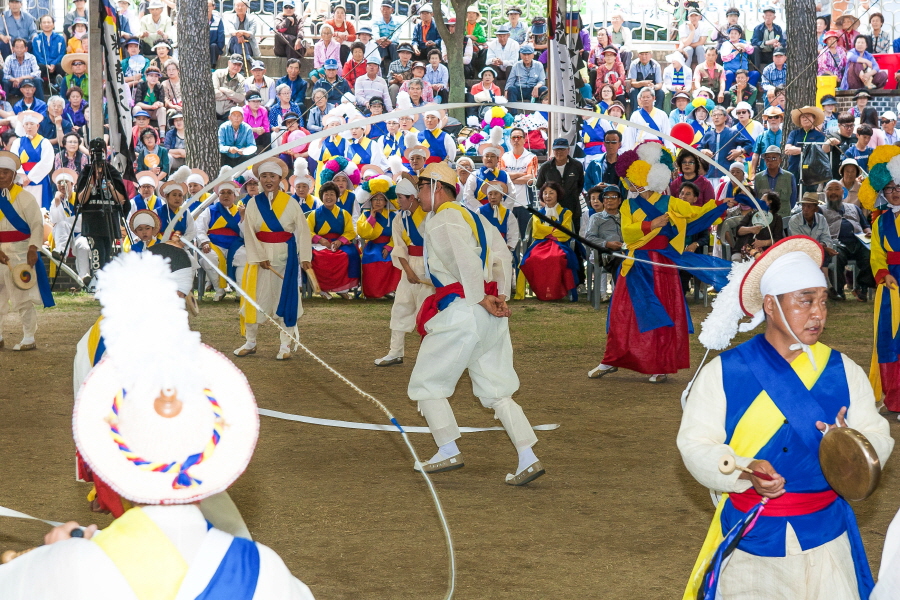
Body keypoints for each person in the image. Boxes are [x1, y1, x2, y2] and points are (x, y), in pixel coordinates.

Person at [0, 249, 316, 598]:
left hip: (124, 465)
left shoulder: (58, 574)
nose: (183, 303)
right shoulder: (266, 574)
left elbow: (90, 405)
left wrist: (55, 562)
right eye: (179, 294)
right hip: (156, 467)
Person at [678, 234, 892, 600]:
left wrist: (849, 445)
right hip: (752, 542)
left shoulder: (844, 370)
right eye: (805, 301)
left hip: (826, 537)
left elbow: (877, 435)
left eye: (823, 302)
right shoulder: (725, 372)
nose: (818, 314)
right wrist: (743, 468)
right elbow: (696, 444)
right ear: (771, 306)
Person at [408, 161, 543, 486]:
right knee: (497, 390)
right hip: (484, 313)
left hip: (464, 310)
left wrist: (481, 296)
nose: (418, 196)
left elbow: (462, 259)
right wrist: (498, 295)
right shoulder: (475, 216)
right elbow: (503, 255)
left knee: (427, 383)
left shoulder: (443, 218)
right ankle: (528, 457)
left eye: (421, 188)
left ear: (436, 187)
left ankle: (447, 448)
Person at [589, 142, 728, 382]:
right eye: (630, 179)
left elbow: (697, 213)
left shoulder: (671, 203)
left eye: (637, 178)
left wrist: (721, 204)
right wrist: (652, 224)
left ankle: (660, 364)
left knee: (662, 312)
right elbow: (628, 232)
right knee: (623, 312)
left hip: (662, 265)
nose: (632, 184)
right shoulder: (628, 205)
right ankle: (611, 359)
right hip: (635, 263)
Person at [373, 173, 430, 365]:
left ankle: (428, 356)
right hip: (409, 266)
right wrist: (408, 271)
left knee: (428, 312)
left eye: (399, 198)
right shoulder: (399, 219)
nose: (396, 201)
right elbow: (399, 248)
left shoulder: (430, 215)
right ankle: (395, 352)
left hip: (430, 267)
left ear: (411, 198)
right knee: (400, 308)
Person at [0, 150, 52, 351]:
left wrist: (33, 248)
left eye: (6, 172)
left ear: (14, 175)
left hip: (21, 253)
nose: (1, 175)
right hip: (0, 254)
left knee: (22, 296)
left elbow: (37, 225)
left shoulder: (25, 198)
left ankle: (29, 337)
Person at [517, 181, 579, 301]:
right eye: (545, 193)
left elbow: (564, 232)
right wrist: (554, 230)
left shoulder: (566, 212)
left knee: (556, 258)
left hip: (560, 244)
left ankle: (556, 292)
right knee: (533, 259)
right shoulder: (537, 213)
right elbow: (537, 231)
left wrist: (548, 231)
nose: (548, 196)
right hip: (540, 244)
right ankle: (542, 292)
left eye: (551, 193)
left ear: (558, 195)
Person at [821, 179, 874, 302]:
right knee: (836, 256)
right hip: (836, 243)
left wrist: (869, 233)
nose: (833, 192)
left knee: (871, 254)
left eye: (836, 189)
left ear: (842, 192)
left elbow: (865, 225)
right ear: (825, 192)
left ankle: (861, 288)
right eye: (830, 189)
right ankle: (838, 291)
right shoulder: (820, 210)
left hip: (858, 242)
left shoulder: (854, 208)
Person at [307, 180, 359, 300]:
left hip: (340, 243)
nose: (329, 197)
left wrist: (340, 241)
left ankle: (342, 289)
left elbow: (351, 231)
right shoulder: (314, 214)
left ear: (336, 196)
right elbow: (307, 231)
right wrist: (320, 240)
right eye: (326, 194)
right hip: (319, 244)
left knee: (349, 255)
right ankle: (322, 289)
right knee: (321, 257)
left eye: (332, 194)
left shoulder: (344, 213)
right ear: (322, 196)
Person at [196, 179, 245, 302]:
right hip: (214, 244)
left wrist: (243, 217)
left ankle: (240, 292)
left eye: (229, 192)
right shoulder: (210, 210)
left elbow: (245, 233)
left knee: (245, 257)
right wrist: (204, 242)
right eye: (223, 192)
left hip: (235, 244)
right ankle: (219, 290)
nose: (226, 195)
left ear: (235, 196)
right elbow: (200, 228)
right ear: (218, 196)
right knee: (208, 259)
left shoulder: (241, 211)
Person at [48, 167, 90, 285]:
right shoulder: (55, 200)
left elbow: (82, 220)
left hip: (79, 233)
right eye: (59, 183)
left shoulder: (79, 198)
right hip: (62, 234)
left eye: (65, 182)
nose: (62, 185)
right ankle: (61, 252)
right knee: (62, 224)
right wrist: (57, 201)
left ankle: (84, 275)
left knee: (83, 245)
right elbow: (55, 220)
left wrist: (68, 221)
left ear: (72, 184)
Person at [535, 138, 585, 233]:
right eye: (557, 149)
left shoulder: (577, 165)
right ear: (553, 151)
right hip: (552, 209)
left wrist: (571, 195)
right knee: (553, 236)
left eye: (562, 149)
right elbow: (539, 186)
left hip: (573, 208)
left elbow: (580, 185)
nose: (559, 152)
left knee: (573, 237)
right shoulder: (546, 167)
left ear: (568, 150)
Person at [10, 110, 53, 210]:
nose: (29, 127)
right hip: (21, 179)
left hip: (39, 178)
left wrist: (30, 177)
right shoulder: (17, 142)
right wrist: (22, 175)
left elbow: (46, 162)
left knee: (39, 208)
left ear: (37, 126)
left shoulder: (45, 142)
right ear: (23, 126)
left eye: (32, 124)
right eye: (26, 124)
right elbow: (14, 159)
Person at [500, 126, 538, 236]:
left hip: (524, 203)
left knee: (525, 236)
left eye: (519, 137)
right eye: (513, 137)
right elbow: (502, 177)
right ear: (510, 140)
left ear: (524, 139)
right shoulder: (504, 157)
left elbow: (530, 179)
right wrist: (521, 174)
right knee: (508, 235)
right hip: (507, 203)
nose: (516, 140)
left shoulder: (531, 157)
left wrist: (510, 177)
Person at [784, 106, 826, 193]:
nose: (805, 119)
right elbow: (787, 149)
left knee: (809, 197)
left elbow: (817, 151)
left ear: (813, 119)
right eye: (802, 117)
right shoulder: (794, 133)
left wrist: (799, 150)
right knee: (792, 194)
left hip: (811, 172)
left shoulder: (820, 135)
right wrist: (807, 150)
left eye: (808, 116)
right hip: (794, 169)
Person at [753, 145, 797, 217]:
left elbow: (793, 199)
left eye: (774, 158)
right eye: (767, 158)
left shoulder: (789, 177)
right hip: (765, 218)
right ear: (765, 160)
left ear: (780, 160)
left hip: (783, 217)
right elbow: (756, 198)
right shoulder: (758, 178)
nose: (770, 160)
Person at [623, 86, 671, 151]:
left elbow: (667, 135)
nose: (645, 99)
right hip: (640, 148)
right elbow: (631, 136)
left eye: (648, 97)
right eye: (643, 97)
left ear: (653, 98)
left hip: (657, 148)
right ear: (640, 99)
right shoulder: (635, 115)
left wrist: (669, 151)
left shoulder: (662, 114)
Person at [505, 44, 546, 109]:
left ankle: (541, 113)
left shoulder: (539, 65)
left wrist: (536, 87)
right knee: (511, 89)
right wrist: (506, 91)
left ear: (533, 55)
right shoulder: (516, 65)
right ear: (520, 55)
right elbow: (510, 81)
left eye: (529, 54)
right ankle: (514, 114)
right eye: (524, 54)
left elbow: (542, 80)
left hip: (533, 91)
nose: (526, 57)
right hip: (520, 89)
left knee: (544, 89)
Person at [627, 45, 664, 111]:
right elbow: (633, 83)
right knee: (632, 91)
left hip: (651, 89)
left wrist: (654, 87)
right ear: (638, 55)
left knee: (660, 93)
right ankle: (634, 112)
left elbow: (659, 84)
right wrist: (642, 83)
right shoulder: (634, 64)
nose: (644, 56)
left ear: (651, 55)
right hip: (638, 88)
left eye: (646, 54)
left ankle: (658, 112)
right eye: (642, 54)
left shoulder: (656, 65)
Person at [750, 4, 785, 69]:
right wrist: (767, 42)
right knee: (755, 48)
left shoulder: (777, 28)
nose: (768, 17)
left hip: (772, 53)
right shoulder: (758, 28)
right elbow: (754, 42)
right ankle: (757, 71)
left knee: (781, 49)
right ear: (763, 17)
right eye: (766, 15)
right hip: (761, 54)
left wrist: (779, 44)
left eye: (770, 15)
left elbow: (782, 41)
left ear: (774, 17)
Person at [33, 14, 65, 83]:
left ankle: (59, 85)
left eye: (49, 22)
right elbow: (37, 55)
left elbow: (62, 53)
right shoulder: (37, 39)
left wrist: (53, 63)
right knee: (40, 66)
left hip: (56, 64)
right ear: (40, 25)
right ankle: (45, 84)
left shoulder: (60, 38)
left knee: (60, 66)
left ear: (53, 25)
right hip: (43, 64)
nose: (46, 24)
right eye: (44, 22)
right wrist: (46, 64)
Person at [213, 54, 246, 119]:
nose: (236, 67)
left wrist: (225, 91)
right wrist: (232, 97)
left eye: (239, 65)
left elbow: (241, 98)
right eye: (234, 64)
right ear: (229, 63)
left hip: (229, 111)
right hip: (214, 109)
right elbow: (214, 93)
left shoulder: (241, 79)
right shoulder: (218, 73)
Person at [374, 0, 401, 71]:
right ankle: (381, 66)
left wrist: (390, 41)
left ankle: (396, 67)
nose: (385, 11)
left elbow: (396, 34)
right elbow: (375, 32)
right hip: (381, 42)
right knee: (379, 44)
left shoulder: (397, 22)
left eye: (387, 9)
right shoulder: (376, 21)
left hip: (392, 43)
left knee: (393, 45)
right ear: (380, 10)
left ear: (392, 10)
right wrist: (379, 39)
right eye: (383, 9)